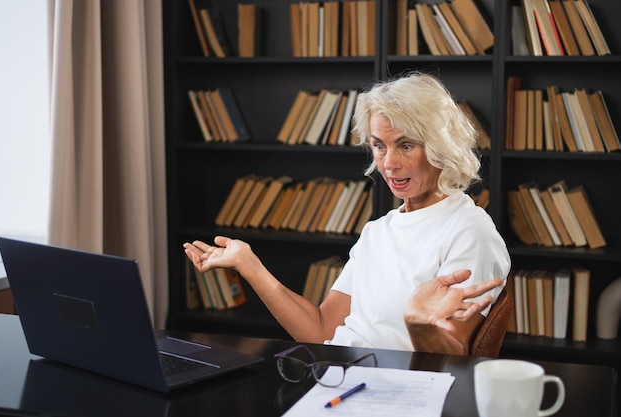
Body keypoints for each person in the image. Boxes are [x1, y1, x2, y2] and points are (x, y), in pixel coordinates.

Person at [184, 72, 510, 355]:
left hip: (399, 390)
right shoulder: (378, 230)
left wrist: (418, 325)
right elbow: (323, 330)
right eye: (380, 145)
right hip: (342, 375)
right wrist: (248, 264)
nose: (389, 163)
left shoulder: (470, 230)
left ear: (441, 146)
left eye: (406, 145)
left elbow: (454, 359)